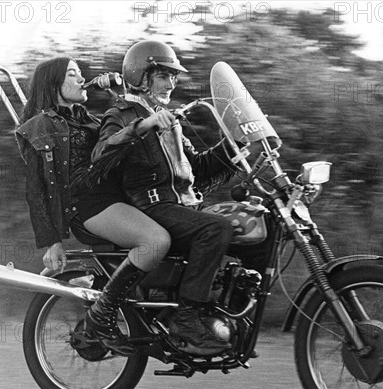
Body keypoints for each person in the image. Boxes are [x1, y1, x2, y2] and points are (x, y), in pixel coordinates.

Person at [15, 57, 171, 356]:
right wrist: (52, 242)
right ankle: (102, 319)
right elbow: (36, 191)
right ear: (55, 85)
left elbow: (118, 136)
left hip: (115, 201)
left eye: (80, 73)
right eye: (72, 74)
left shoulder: (89, 118)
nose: (81, 78)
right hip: (87, 207)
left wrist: (118, 92)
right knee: (154, 241)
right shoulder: (40, 127)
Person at [87, 41, 235, 355]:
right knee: (216, 229)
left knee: (242, 222)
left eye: (173, 77)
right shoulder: (122, 113)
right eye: (163, 76)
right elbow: (100, 153)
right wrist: (143, 125)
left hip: (180, 204)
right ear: (141, 76)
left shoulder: (169, 119)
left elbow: (197, 169)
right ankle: (187, 318)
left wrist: (234, 146)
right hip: (152, 207)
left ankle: (221, 314)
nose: (171, 83)